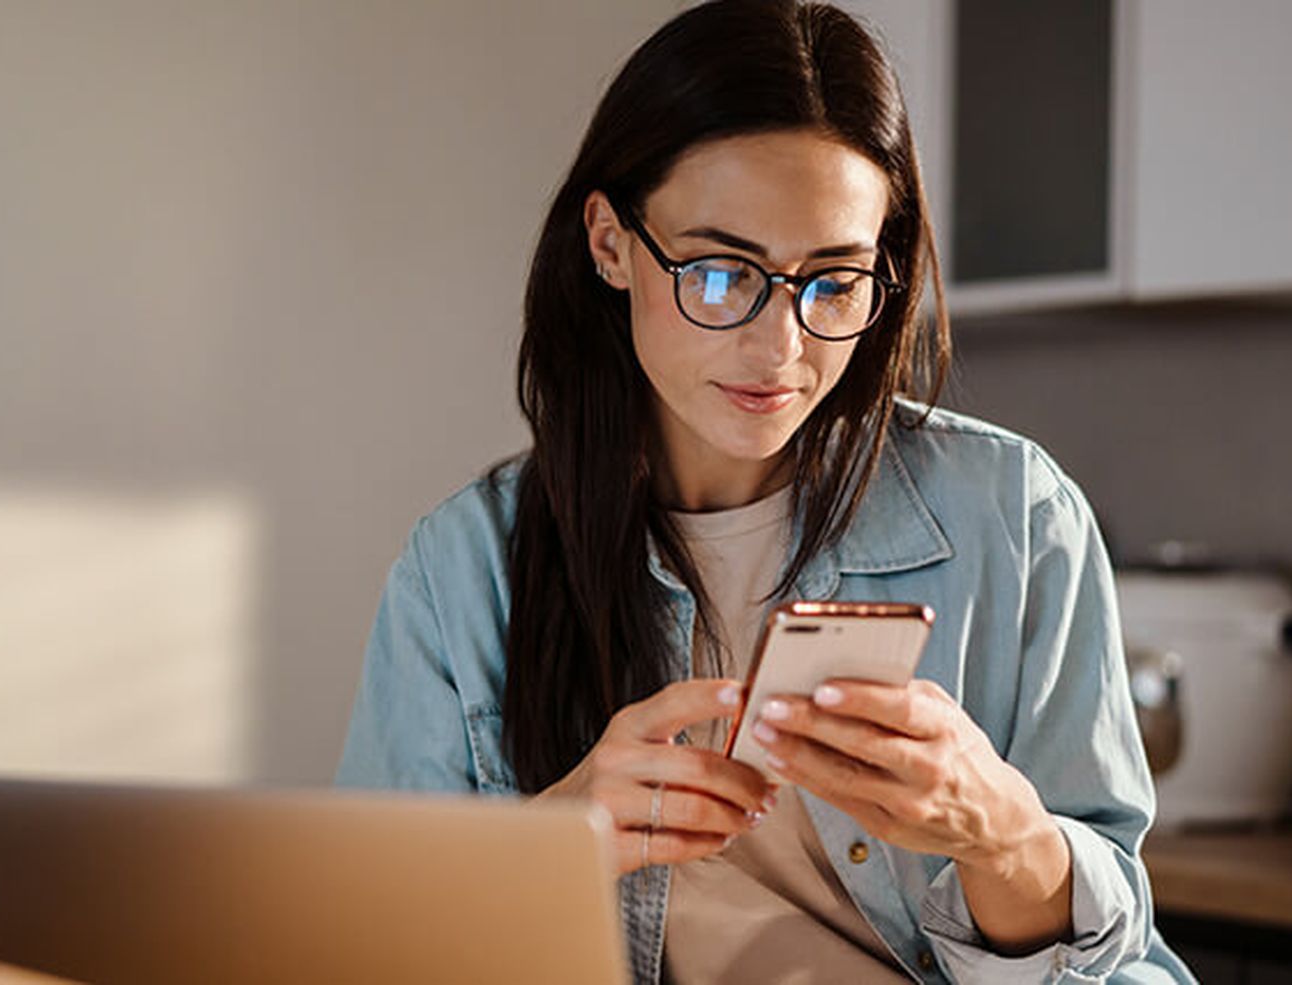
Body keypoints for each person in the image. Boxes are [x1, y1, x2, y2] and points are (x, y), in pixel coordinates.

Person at [335, 1, 1193, 982]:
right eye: (718, 272)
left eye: (832, 282)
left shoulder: (1017, 518)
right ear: (610, 243)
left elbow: (1126, 968)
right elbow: (367, 945)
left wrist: (1000, 833)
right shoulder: (465, 570)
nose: (778, 347)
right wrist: (553, 840)